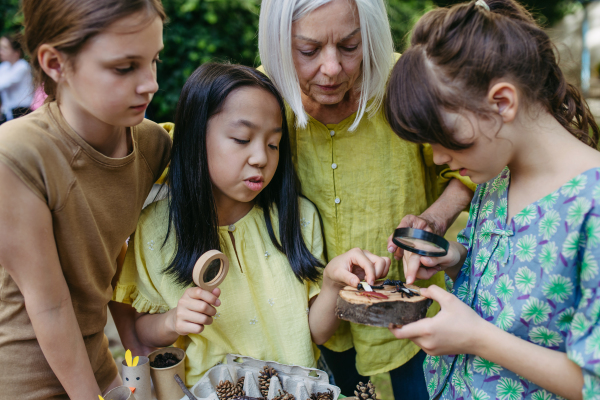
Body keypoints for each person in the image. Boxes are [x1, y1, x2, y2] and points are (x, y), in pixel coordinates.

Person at [113, 63, 391, 386]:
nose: (261, 157)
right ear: (195, 137)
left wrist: (331, 284)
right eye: (242, 139)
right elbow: (141, 331)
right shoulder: (156, 229)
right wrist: (173, 321)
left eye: (273, 144)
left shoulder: (298, 218)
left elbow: (313, 333)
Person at [257, 0, 475, 397]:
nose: (332, 68)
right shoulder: (257, 96)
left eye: (350, 46)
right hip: (317, 316)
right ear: (276, 45)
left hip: (411, 310)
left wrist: (435, 218)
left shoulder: (404, 82)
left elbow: (468, 167)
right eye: (307, 51)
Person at [385, 0, 600, 399]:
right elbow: (519, 290)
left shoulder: (592, 205)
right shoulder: (496, 173)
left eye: (445, 138)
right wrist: (455, 260)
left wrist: (476, 339)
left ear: (501, 103)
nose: (437, 158)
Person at [0, 0, 171, 398]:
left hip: (101, 364)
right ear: (55, 64)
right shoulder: (18, 155)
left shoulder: (151, 143)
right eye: (125, 67)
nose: (150, 84)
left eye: (154, 60)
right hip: (24, 379)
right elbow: (51, 305)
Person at [0, 33, 33, 123]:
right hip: (8, 112)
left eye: (5, 48)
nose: (1, 52)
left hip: (22, 111)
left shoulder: (22, 66)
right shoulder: (4, 66)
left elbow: (4, 83)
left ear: (16, 52)